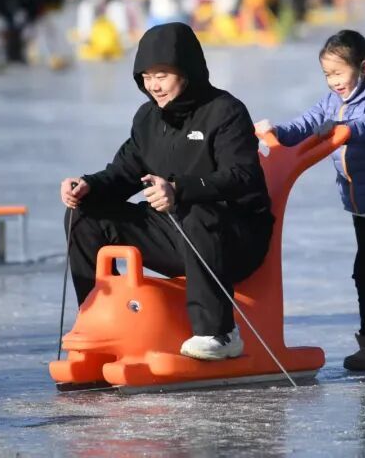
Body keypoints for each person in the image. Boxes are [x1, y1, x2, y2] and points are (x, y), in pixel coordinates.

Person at [59, 23, 273, 360]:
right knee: (83, 214)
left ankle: (219, 333)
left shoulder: (225, 111)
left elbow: (242, 176)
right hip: (174, 231)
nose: (153, 85)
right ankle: (98, 319)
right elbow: (123, 173)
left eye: (162, 75)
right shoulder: (148, 119)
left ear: (186, 71)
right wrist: (89, 186)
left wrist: (178, 189)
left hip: (234, 237)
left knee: (197, 212)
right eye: (146, 77)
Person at [255, 30, 365, 371]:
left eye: (338, 73)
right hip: (361, 201)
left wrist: (346, 128)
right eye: (327, 74)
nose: (333, 82)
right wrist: (277, 133)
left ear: (363, 67)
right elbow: (308, 123)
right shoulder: (333, 100)